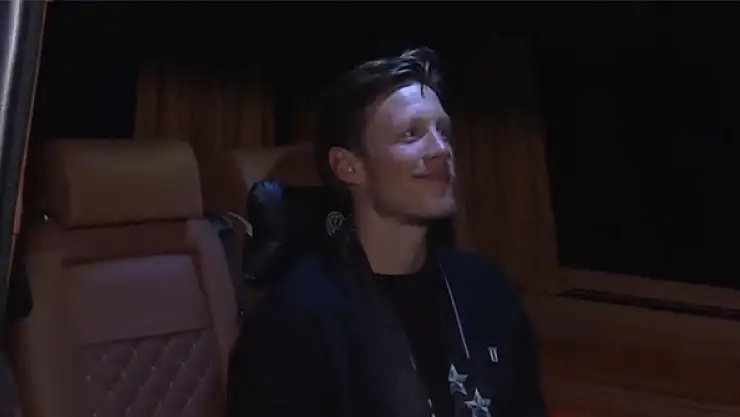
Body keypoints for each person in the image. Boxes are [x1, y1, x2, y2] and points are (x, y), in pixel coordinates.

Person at [227, 48, 547, 417]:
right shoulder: (293, 323)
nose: (441, 150)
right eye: (411, 134)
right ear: (349, 167)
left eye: (444, 132)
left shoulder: (487, 290)